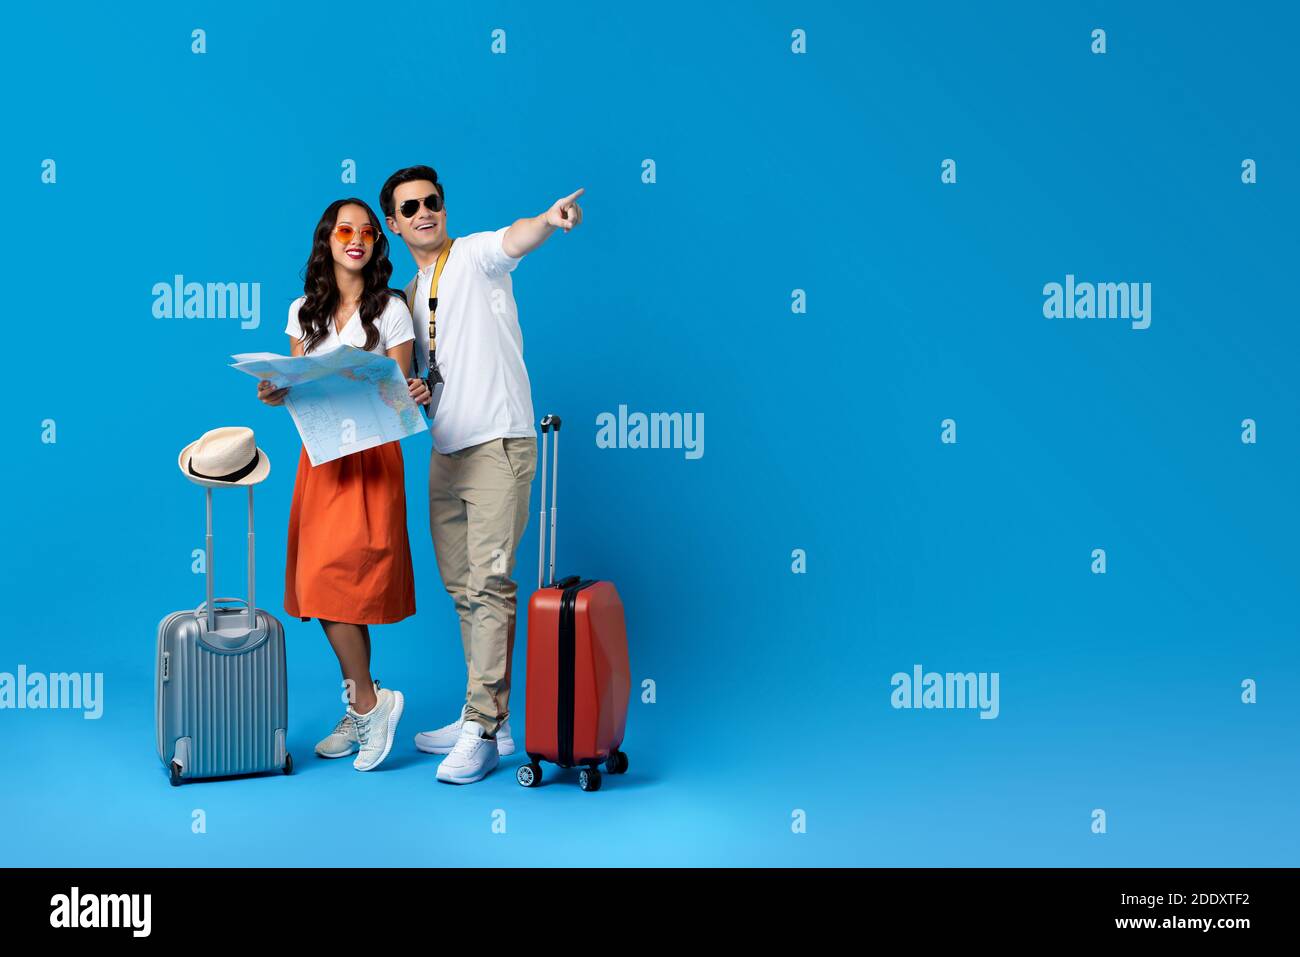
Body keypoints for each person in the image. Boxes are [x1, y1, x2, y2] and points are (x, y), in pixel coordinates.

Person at [379, 165, 584, 784]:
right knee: (464, 589)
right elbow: (425, 373)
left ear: (444, 208)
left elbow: (514, 238)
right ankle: (487, 716)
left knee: (492, 583)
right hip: (447, 450)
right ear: (394, 222)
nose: (423, 213)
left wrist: (547, 221)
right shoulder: (410, 297)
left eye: (432, 202)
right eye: (410, 207)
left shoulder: (472, 257)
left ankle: (482, 726)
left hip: (499, 443)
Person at [257, 197, 432, 772]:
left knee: (348, 579)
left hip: (371, 457)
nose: (354, 238)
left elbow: (403, 390)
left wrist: (411, 389)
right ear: (327, 240)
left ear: (377, 242)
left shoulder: (393, 310)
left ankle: (369, 703)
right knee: (323, 582)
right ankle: (364, 703)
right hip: (323, 456)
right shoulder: (302, 311)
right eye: (343, 230)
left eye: (366, 231)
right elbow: (302, 396)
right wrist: (279, 391)